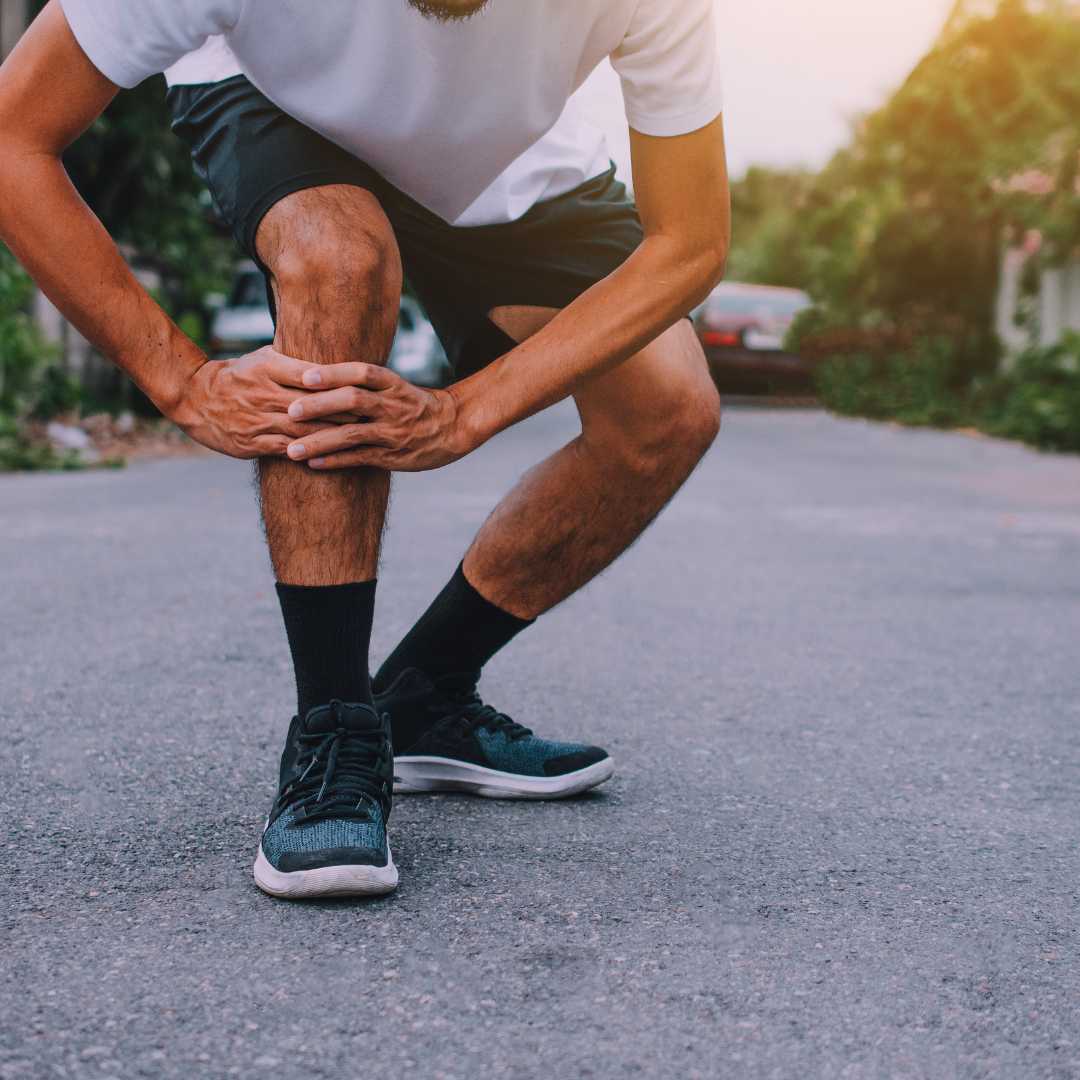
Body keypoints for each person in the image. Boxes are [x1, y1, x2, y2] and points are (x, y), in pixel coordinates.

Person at [0, 0, 730, 899]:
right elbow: (12, 138)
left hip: (507, 159)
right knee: (338, 261)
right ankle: (335, 730)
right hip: (277, 95)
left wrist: (468, 410)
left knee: (668, 409)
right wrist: (180, 381)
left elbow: (690, 241)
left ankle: (424, 693)